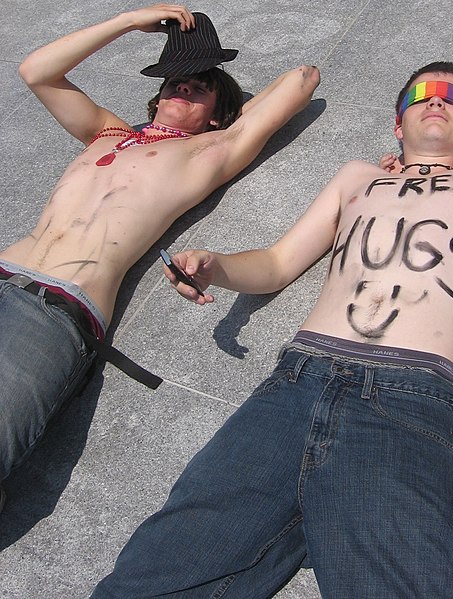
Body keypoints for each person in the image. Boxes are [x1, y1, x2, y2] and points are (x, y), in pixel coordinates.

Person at [92, 62, 453, 598]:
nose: (436, 101)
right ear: (397, 125)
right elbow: (280, 262)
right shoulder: (359, 178)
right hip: (297, 383)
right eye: (421, 96)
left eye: (452, 98)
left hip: (409, 395)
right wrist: (218, 266)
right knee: (161, 569)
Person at [0, 4, 320, 507]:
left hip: (54, 308)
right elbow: (36, 71)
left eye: (199, 85)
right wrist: (129, 22)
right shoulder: (106, 131)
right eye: (176, 79)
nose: (184, 85)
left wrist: (207, 57)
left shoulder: (209, 150)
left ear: (217, 112)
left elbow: (304, 80)